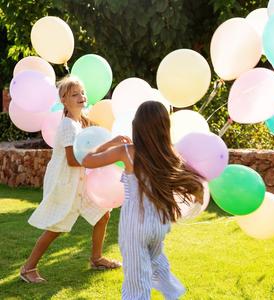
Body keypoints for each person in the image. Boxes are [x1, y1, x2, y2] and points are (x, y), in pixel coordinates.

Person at [82, 101, 204, 299]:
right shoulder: (169, 155)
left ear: (137, 125)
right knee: (156, 261)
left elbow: (87, 160)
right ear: (165, 127)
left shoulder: (127, 151)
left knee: (136, 281)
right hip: (158, 223)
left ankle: (163, 293)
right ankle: (173, 292)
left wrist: (111, 142)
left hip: (134, 227)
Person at [20, 76, 121, 283]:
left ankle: (96, 258)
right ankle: (28, 269)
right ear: (64, 100)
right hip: (66, 182)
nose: (81, 96)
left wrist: (112, 145)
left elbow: (86, 150)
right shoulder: (68, 126)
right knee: (56, 227)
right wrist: (105, 157)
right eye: (75, 94)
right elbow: (74, 160)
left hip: (78, 181)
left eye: (82, 92)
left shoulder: (78, 122)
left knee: (103, 214)